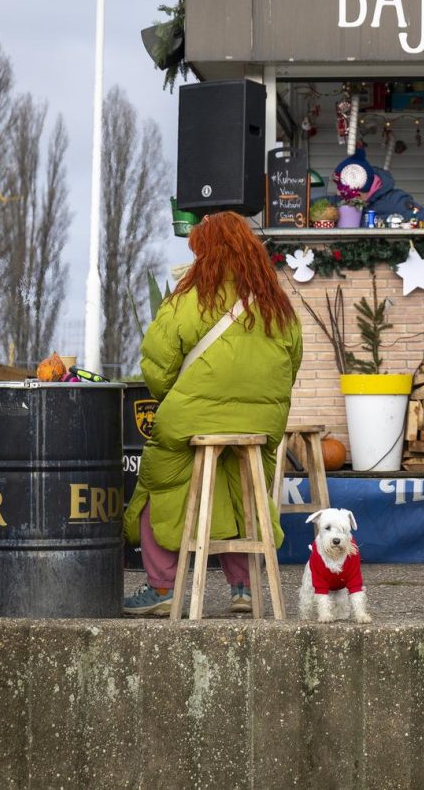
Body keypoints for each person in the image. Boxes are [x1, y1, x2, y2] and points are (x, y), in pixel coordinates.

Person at [122, 211, 302, 616]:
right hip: (260, 425)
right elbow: (291, 365)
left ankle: (163, 588)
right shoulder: (277, 305)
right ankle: (245, 588)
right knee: (241, 490)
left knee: (159, 482)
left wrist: (183, 399)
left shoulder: (188, 300)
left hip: (192, 421)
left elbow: (157, 367)